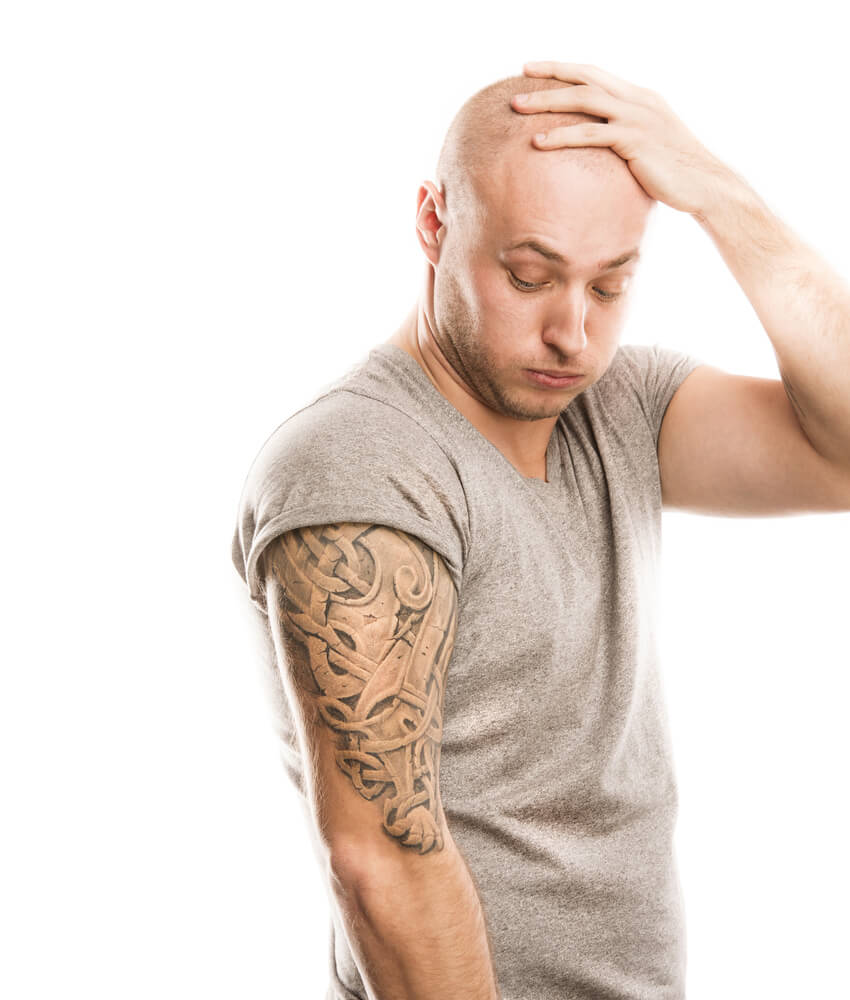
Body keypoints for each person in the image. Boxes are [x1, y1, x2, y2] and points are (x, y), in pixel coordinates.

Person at [231, 61, 850, 1000]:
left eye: (610, 286)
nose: (573, 334)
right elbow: (383, 861)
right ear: (434, 222)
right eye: (530, 275)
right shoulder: (361, 467)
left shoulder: (621, 408)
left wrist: (721, 194)